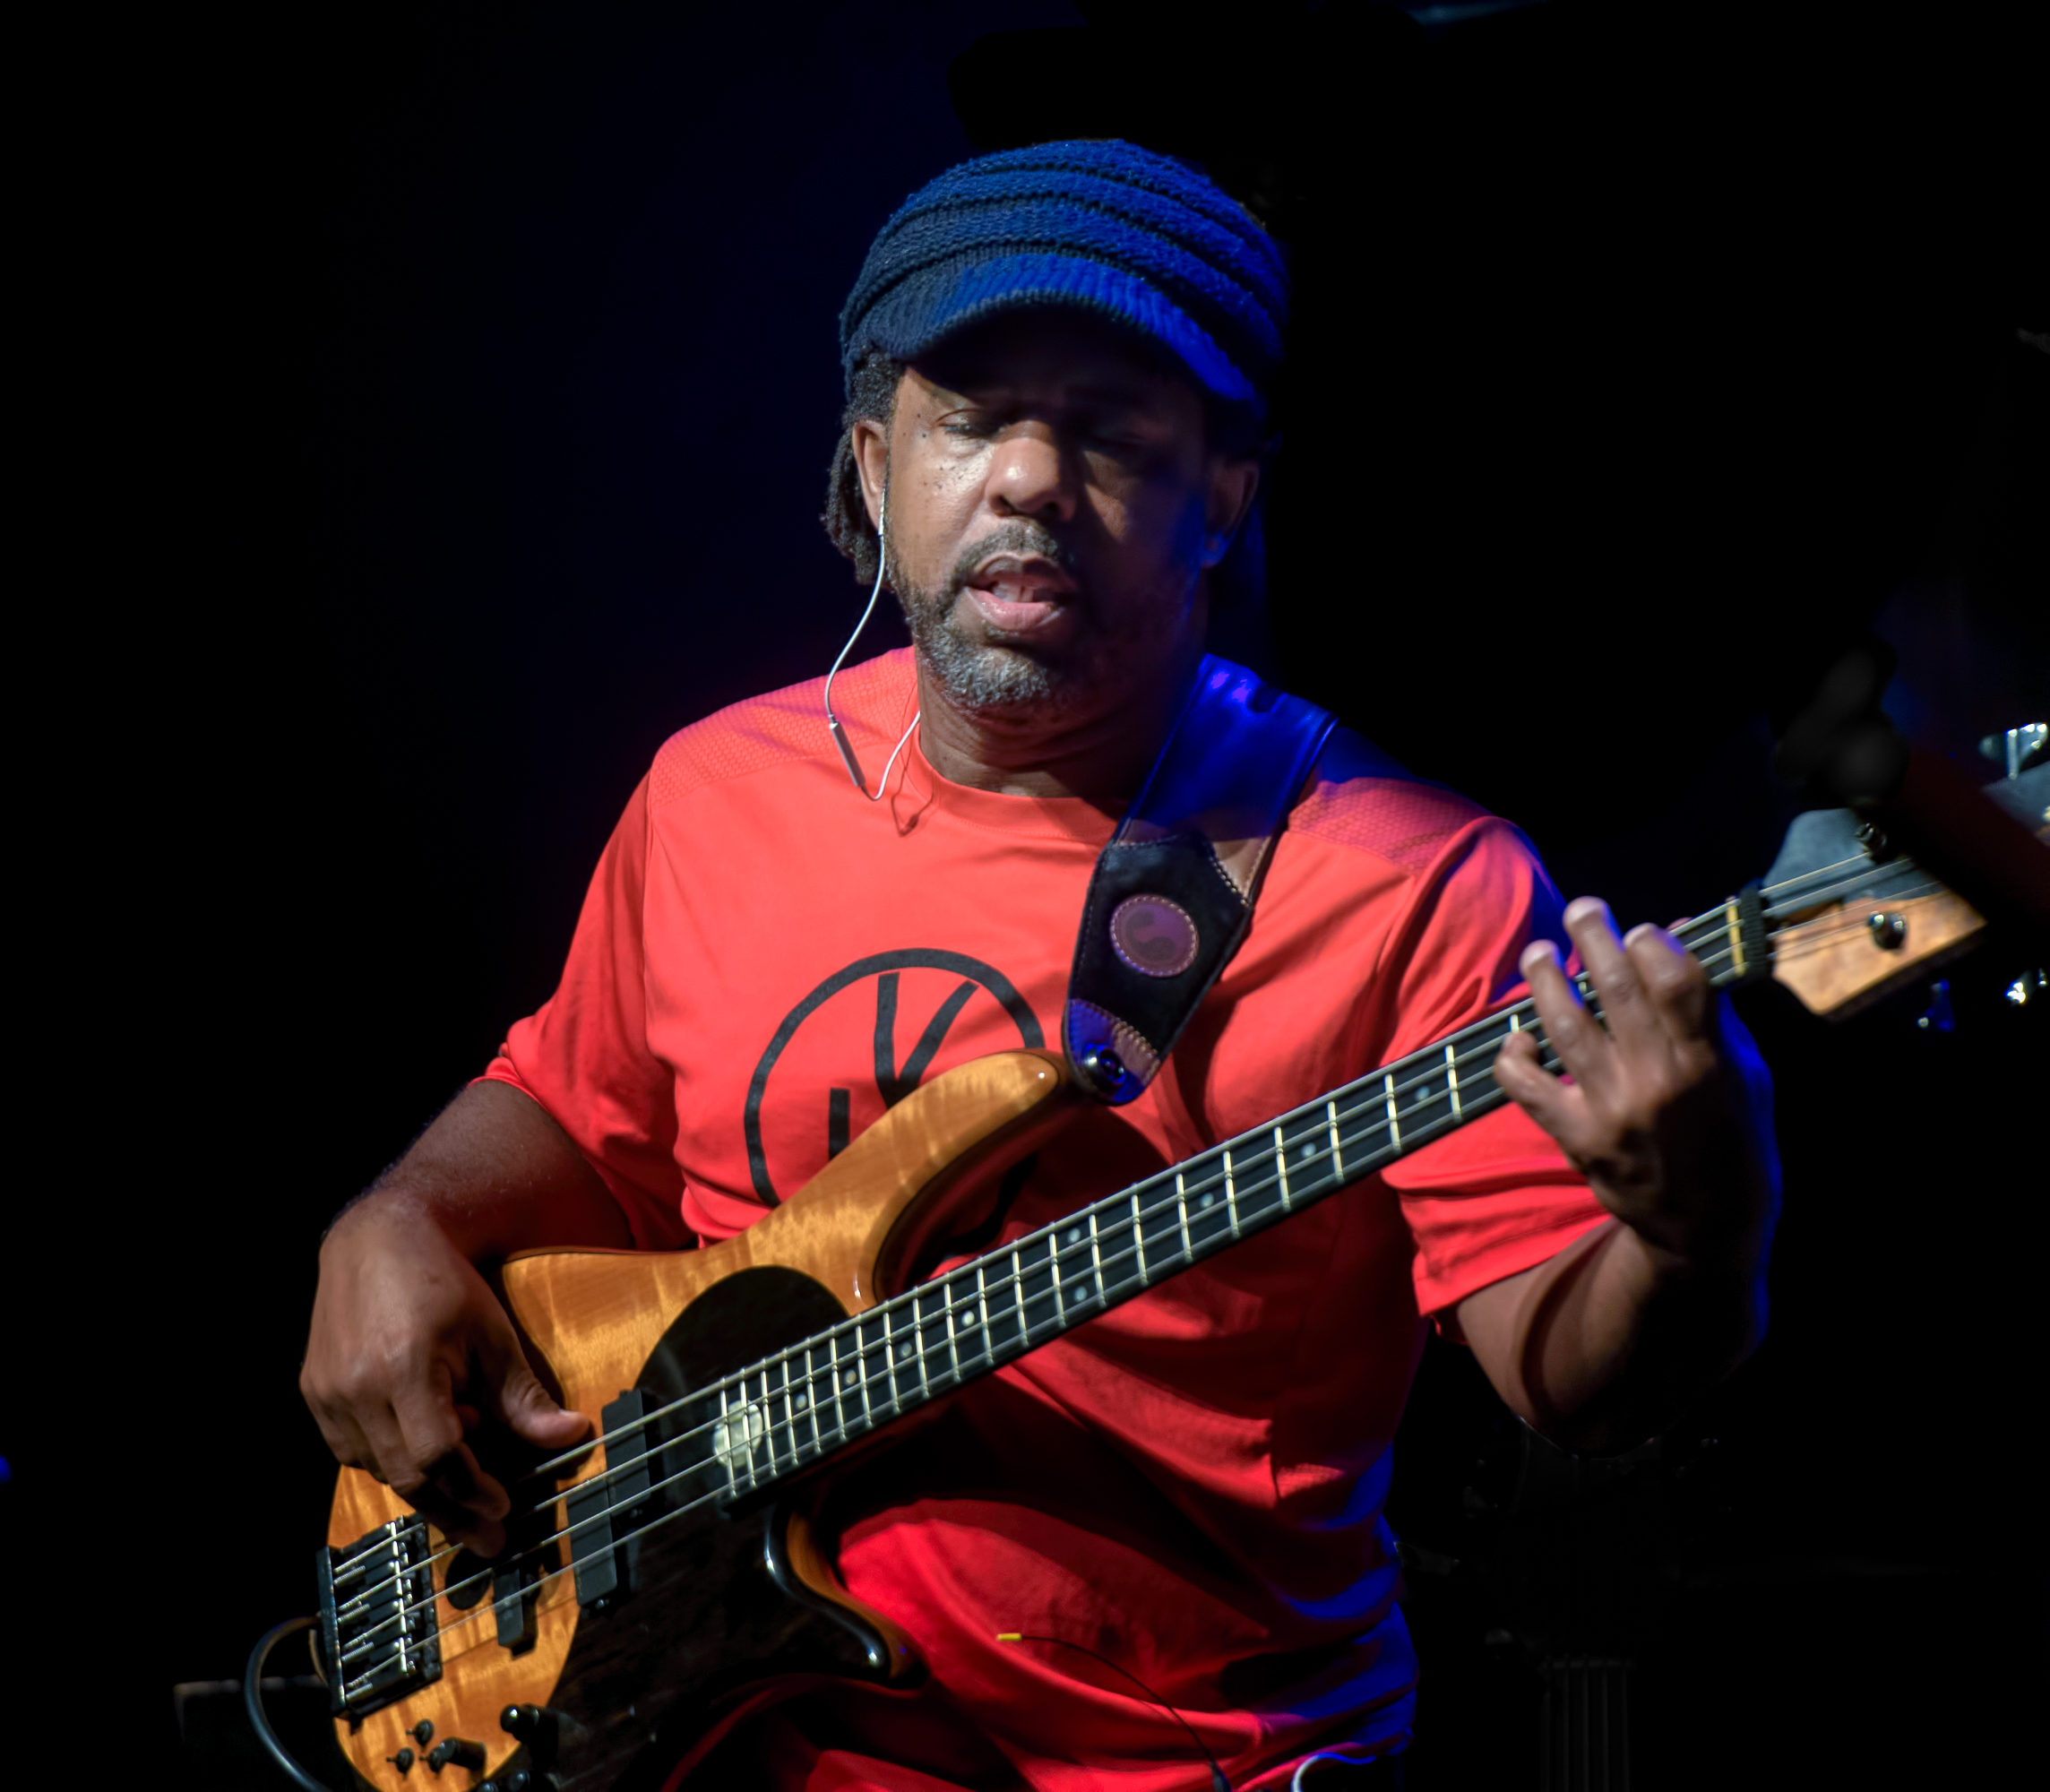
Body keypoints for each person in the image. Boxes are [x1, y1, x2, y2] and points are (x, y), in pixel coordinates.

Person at [300, 142, 1779, 1788]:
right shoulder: (713, 792)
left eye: (1110, 431)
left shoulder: (1415, 881)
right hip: (705, 1736)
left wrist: (1701, 1230)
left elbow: (1573, 1378)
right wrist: (400, 1216)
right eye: (970, 417)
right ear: (873, 471)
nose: (1027, 478)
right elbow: (573, 1106)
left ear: (1224, 489)